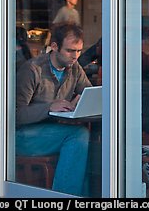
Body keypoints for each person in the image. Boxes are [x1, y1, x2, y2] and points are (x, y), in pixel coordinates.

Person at [15, 23, 92, 196]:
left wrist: (81, 103)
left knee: (91, 139)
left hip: (53, 132)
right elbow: (16, 115)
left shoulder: (74, 68)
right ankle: (64, 196)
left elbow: (88, 93)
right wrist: (49, 107)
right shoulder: (32, 69)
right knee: (78, 135)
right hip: (22, 136)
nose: (76, 56)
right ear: (55, 47)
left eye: (79, 51)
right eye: (70, 50)